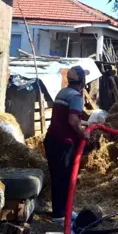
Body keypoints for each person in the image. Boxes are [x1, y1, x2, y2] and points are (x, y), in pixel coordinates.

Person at [44, 66, 90, 224]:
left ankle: (63, 211)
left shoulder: (62, 92)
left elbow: (67, 117)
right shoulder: (76, 96)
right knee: (65, 178)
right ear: (82, 81)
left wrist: (87, 122)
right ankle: (60, 216)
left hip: (52, 140)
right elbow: (72, 121)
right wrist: (84, 133)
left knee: (57, 177)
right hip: (64, 143)